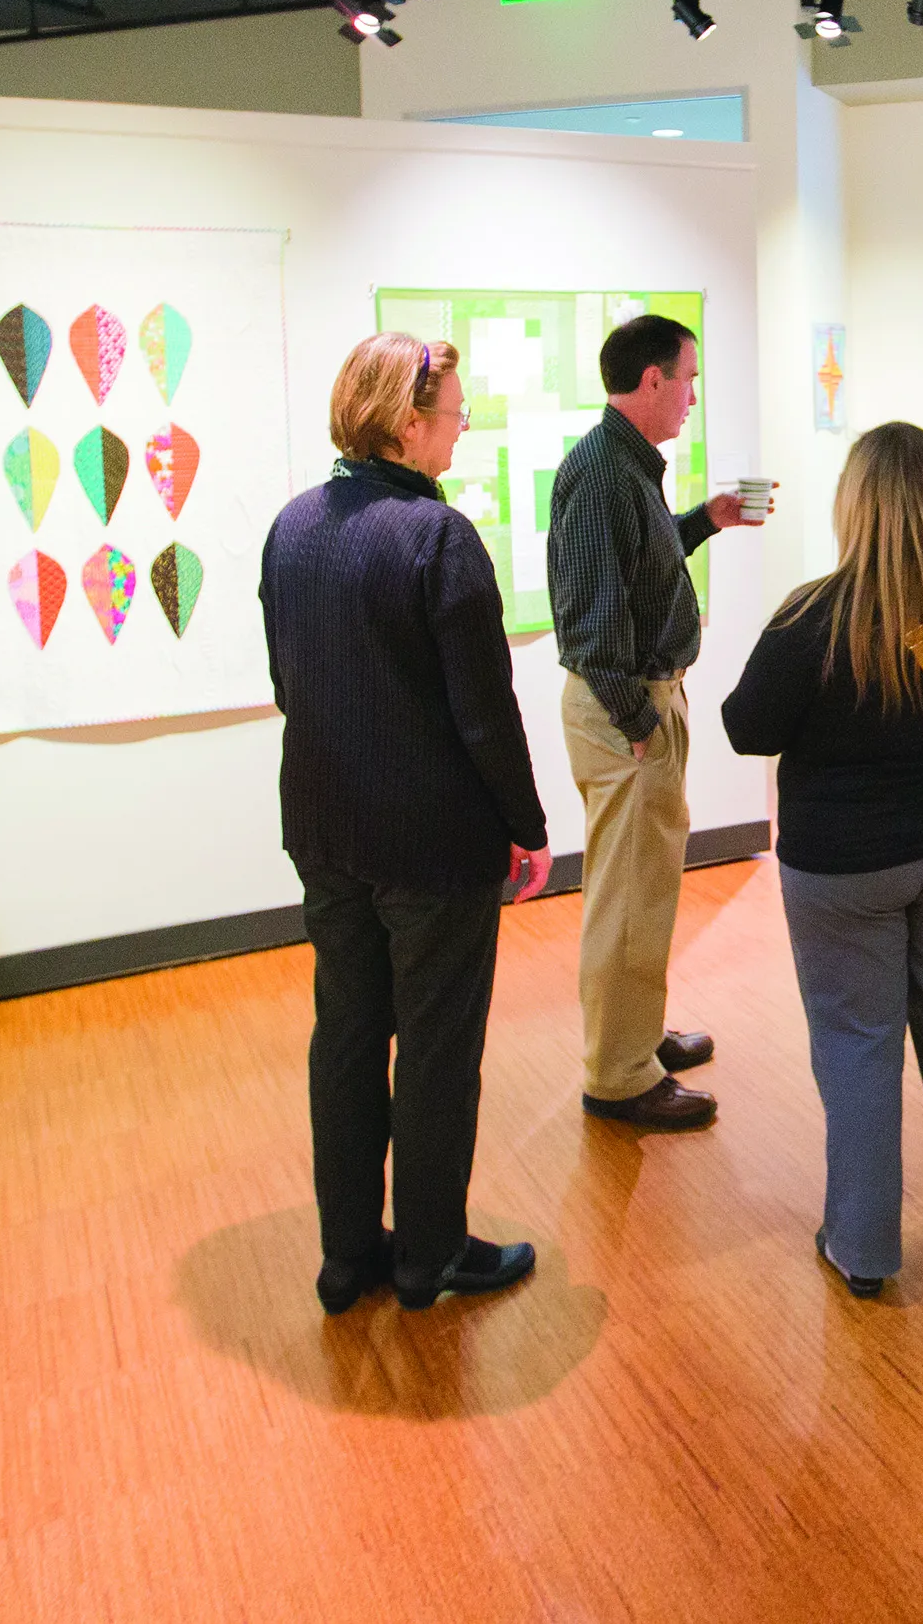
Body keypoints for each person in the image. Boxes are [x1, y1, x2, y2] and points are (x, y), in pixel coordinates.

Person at [262, 333, 555, 1314]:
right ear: (404, 422)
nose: (461, 426)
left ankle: (347, 1258)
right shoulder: (439, 538)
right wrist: (525, 823)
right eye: (453, 412)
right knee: (433, 1048)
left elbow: (284, 683)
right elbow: (483, 711)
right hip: (431, 847)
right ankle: (429, 1257)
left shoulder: (291, 528)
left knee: (345, 1036)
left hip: (323, 831)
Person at [721, 423, 923, 1298]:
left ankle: (862, 1247)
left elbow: (747, 727)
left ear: (852, 503)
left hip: (840, 869)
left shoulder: (811, 616)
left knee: (859, 1044)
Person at [545, 314, 771, 1132]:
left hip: (640, 701)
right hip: (625, 708)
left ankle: (634, 1037)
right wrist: (639, 718)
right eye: (688, 380)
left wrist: (707, 518)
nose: (691, 396)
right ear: (651, 381)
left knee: (643, 887)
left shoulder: (626, 467)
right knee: (627, 896)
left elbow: (639, 566)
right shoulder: (602, 472)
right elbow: (586, 621)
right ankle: (617, 1077)